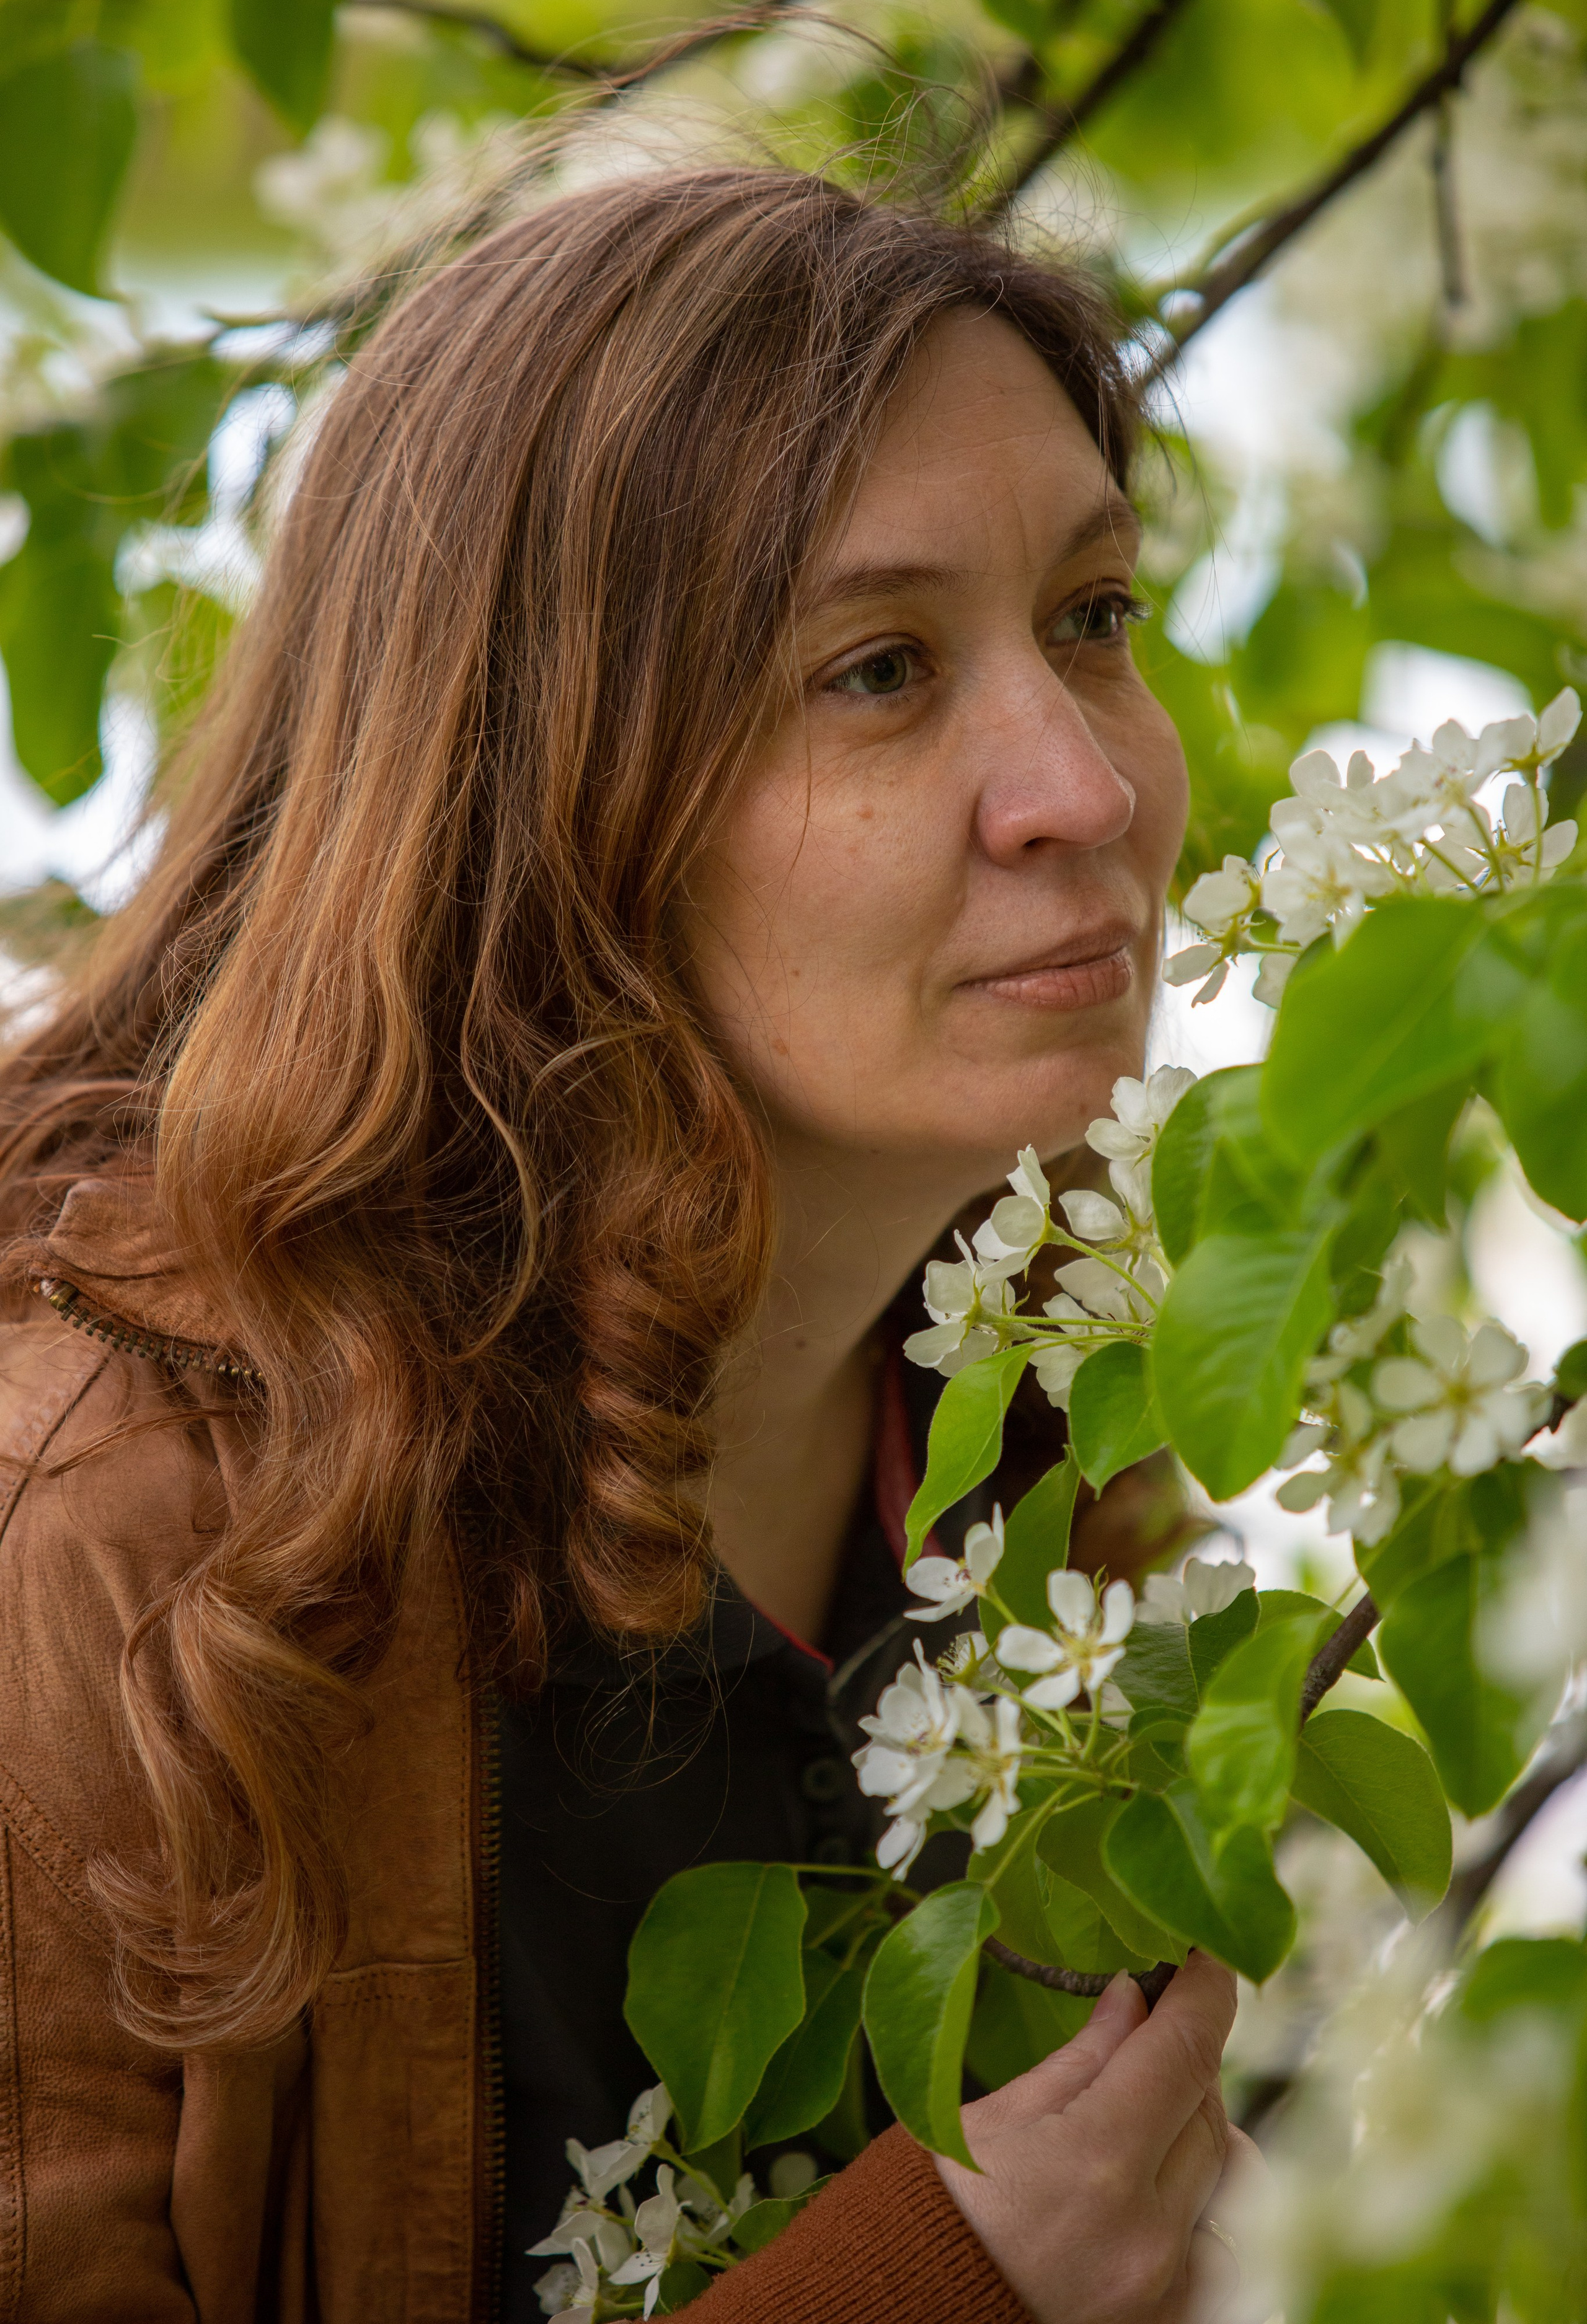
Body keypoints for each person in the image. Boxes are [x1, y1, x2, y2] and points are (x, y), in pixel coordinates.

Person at [0, 162, 1255, 2323]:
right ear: (548, 787)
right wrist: (934, 2287)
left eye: (1095, 616)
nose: (1084, 786)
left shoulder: (1075, 1418)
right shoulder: (105, 1541)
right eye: (877, 669)